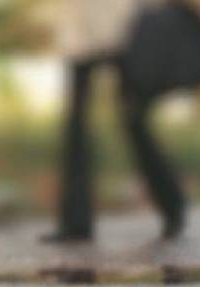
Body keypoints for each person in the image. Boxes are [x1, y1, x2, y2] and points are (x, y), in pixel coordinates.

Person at [47, 0, 186, 242]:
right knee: (77, 125)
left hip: (124, 26)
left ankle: (172, 204)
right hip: (82, 30)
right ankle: (76, 222)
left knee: (133, 120)